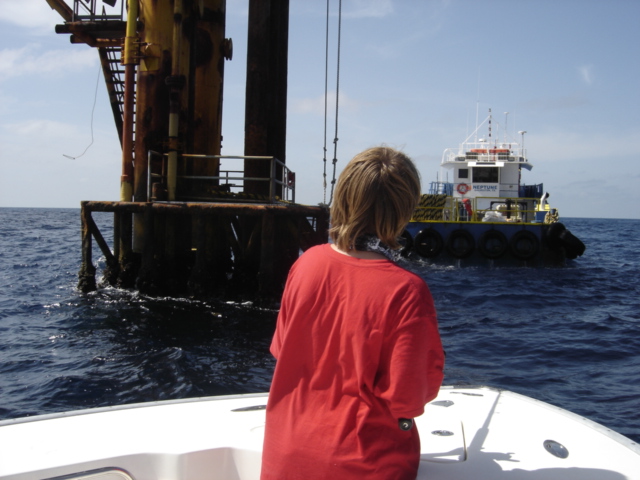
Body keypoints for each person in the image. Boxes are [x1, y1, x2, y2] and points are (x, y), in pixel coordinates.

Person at [260, 146, 445, 480]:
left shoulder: (305, 264)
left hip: (285, 456)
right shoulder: (407, 291)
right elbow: (408, 397)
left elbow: (282, 351)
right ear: (404, 209)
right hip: (362, 464)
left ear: (343, 196)